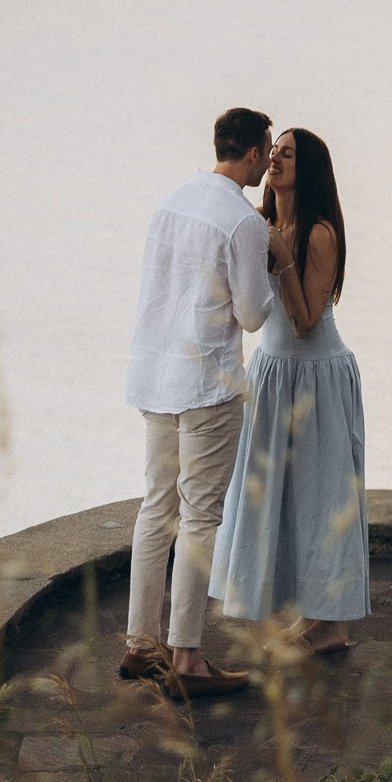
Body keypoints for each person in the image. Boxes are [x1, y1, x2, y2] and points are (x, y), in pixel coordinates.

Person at [119, 105, 274, 699]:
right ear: (254, 153)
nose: (267, 164)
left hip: (155, 373)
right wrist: (273, 258)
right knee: (201, 516)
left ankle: (140, 646)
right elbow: (253, 315)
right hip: (206, 383)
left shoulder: (171, 202)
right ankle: (186, 657)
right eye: (267, 153)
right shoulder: (242, 222)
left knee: (156, 508)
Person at [210, 126, 370, 653]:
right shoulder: (262, 223)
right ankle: (304, 611)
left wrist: (283, 259)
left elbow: (303, 323)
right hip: (272, 374)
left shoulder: (319, 234)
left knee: (322, 498)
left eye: (288, 154)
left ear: (310, 170)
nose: (275, 159)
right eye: (274, 151)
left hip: (316, 376)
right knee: (274, 498)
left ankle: (331, 623)